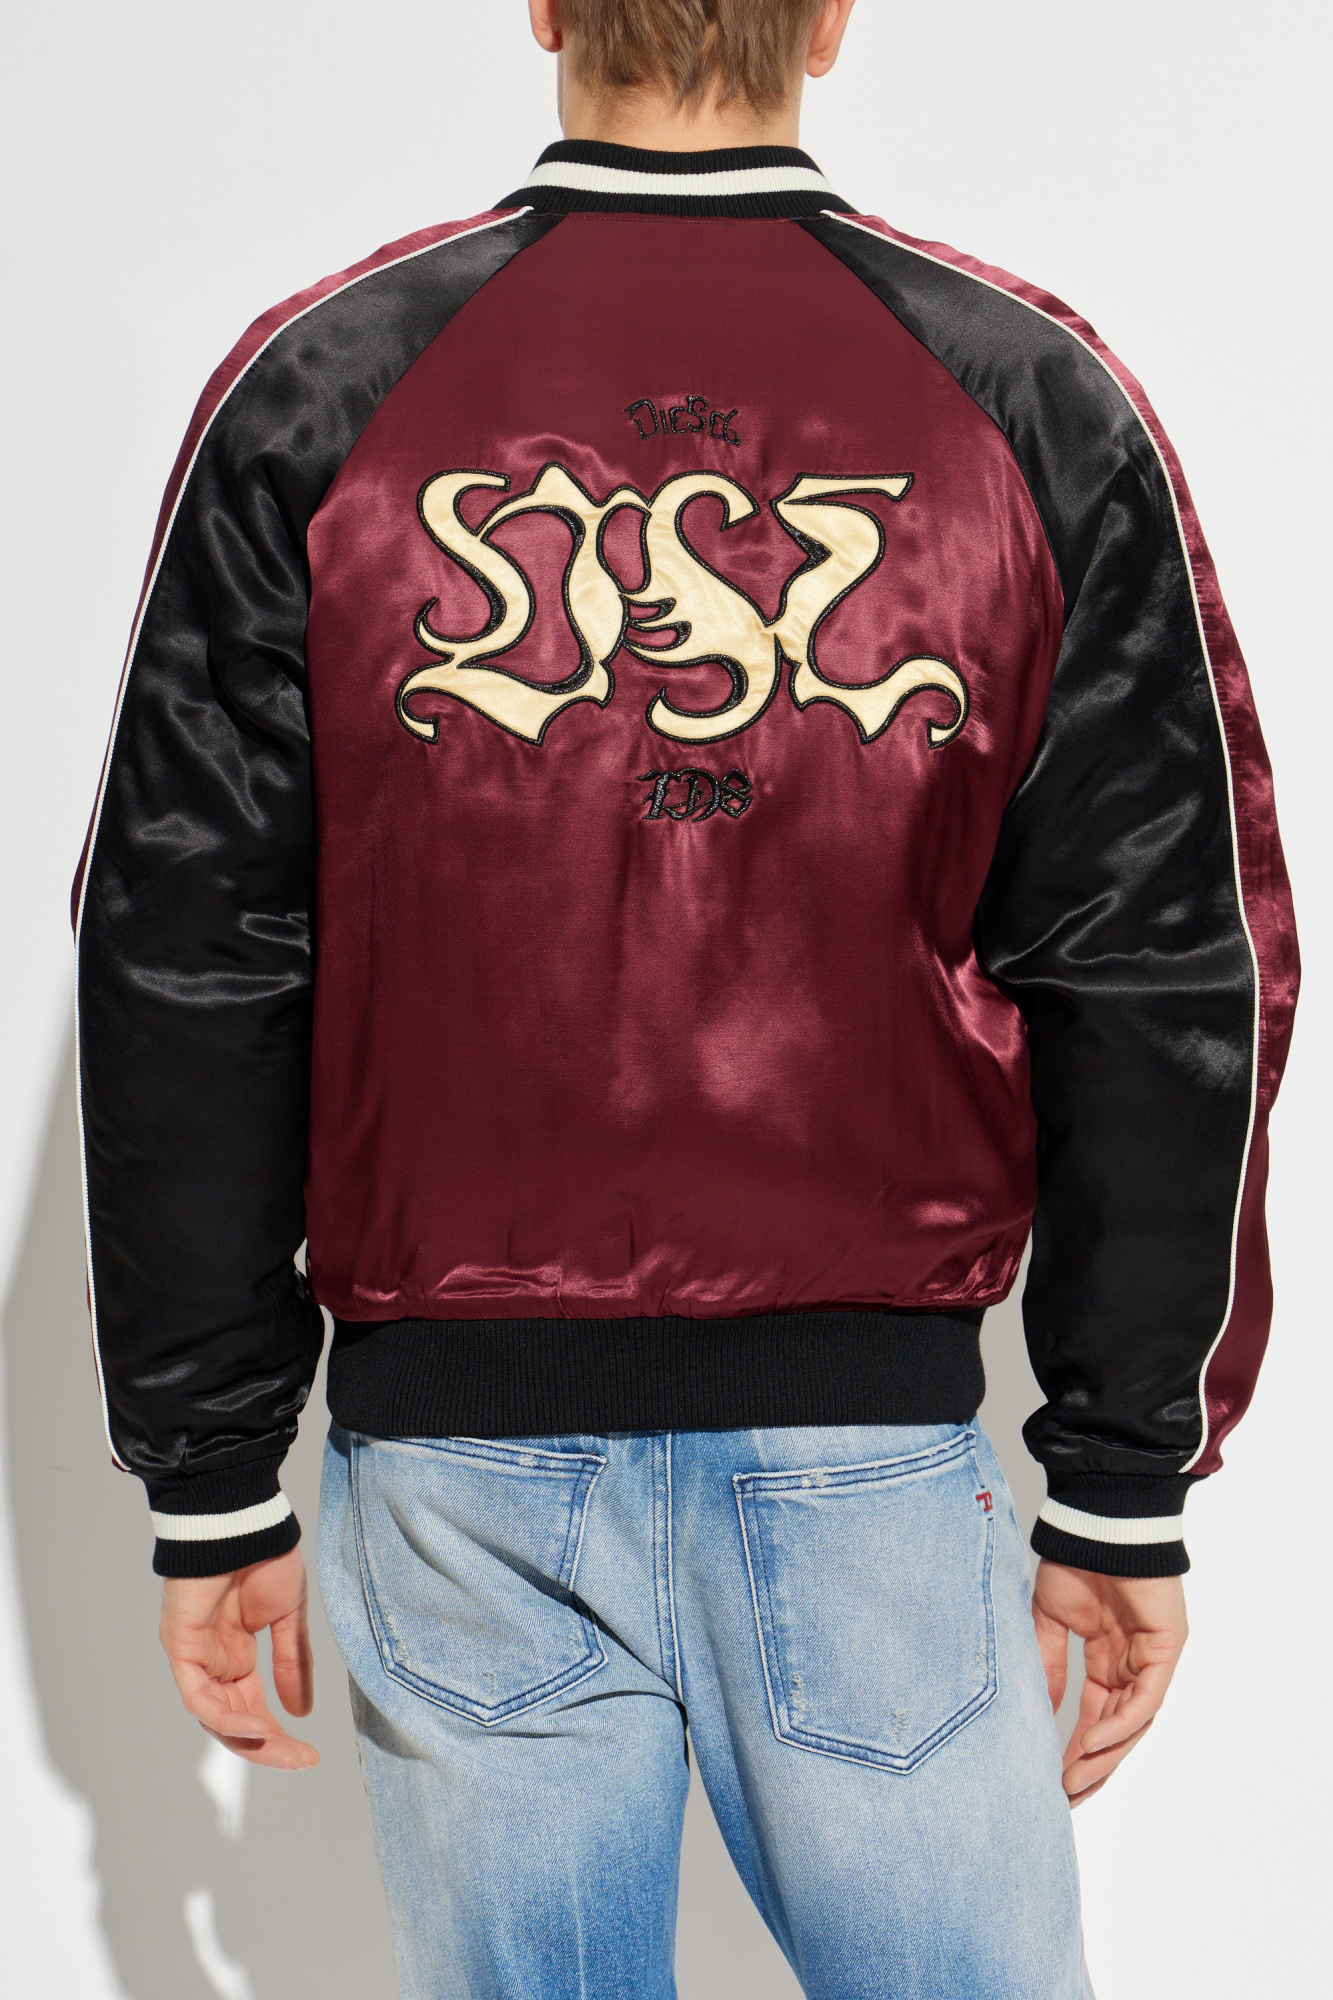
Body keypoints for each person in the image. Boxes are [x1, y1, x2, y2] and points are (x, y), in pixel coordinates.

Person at [72, 1, 1298, 1993]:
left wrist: (211, 1473)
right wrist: (1120, 1471)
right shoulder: (1024, 397)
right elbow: (1163, 954)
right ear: (831, 20)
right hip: (866, 1467)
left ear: (546, 7)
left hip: (456, 1471)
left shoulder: (324, 390)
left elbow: (185, 953)